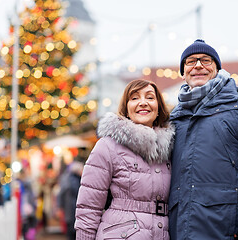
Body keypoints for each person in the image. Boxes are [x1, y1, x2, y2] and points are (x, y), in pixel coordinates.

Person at [168, 39, 238, 240]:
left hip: (226, 229)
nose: (198, 66)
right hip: (179, 229)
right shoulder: (175, 116)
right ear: (183, 72)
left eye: (205, 60)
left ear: (217, 68)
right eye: (190, 61)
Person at [75, 79, 175, 239]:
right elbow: (89, 205)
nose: (143, 102)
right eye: (134, 98)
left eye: (150, 97)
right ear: (126, 108)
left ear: (158, 108)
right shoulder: (108, 146)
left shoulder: (169, 149)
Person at [57, 161, 84, 240]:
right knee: (72, 231)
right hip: (71, 208)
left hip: (71, 209)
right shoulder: (71, 180)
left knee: (73, 230)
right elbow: (61, 194)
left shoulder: (69, 178)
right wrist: (60, 207)